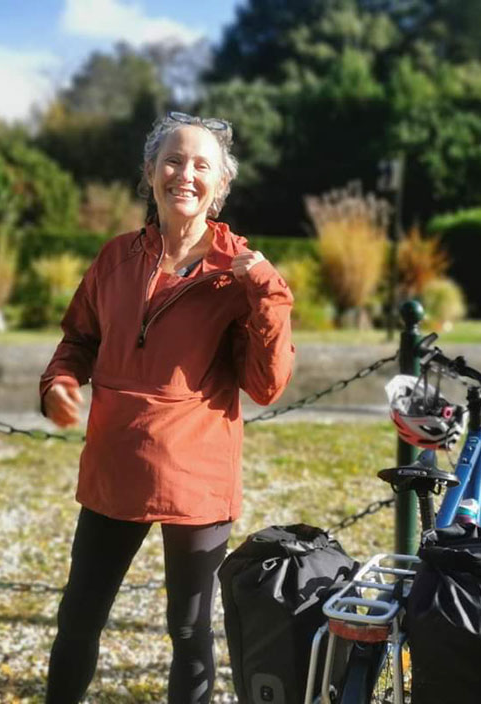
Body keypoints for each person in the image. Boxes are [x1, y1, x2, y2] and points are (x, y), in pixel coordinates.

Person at [39, 111, 295, 703]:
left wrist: (268, 292)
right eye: (173, 161)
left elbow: (266, 385)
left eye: (202, 165)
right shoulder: (114, 258)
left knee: (188, 629)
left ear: (220, 185)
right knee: (78, 617)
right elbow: (79, 339)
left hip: (196, 474)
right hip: (115, 466)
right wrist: (59, 381)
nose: (185, 174)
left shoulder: (240, 273)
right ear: (150, 172)